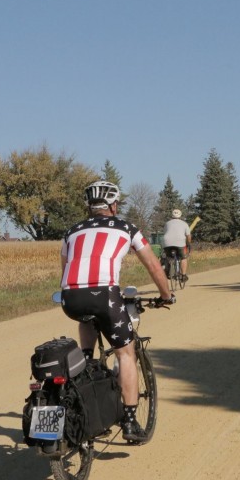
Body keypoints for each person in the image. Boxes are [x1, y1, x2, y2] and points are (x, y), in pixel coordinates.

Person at [60, 180, 174, 442]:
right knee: (126, 353)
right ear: (113, 205)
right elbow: (154, 266)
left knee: (87, 322)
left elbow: (65, 268)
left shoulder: (71, 231)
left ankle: (87, 364)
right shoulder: (127, 227)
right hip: (105, 296)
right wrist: (166, 294)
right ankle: (131, 421)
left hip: (71, 297)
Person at [162, 208, 192, 281]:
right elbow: (188, 236)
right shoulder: (184, 224)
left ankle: (166, 270)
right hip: (180, 243)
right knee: (183, 258)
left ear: (172, 215)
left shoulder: (167, 223)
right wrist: (188, 244)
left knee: (167, 257)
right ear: (180, 215)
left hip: (167, 242)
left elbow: (165, 233)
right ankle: (183, 275)